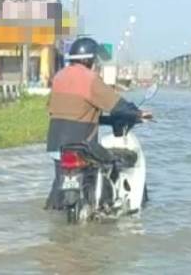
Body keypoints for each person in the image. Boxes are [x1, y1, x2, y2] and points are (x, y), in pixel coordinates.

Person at [44, 37, 152, 210]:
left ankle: (53, 211)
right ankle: (106, 205)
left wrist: (105, 120)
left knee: (59, 182)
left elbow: (70, 112)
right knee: (110, 163)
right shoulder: (90, 79)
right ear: (90, 60)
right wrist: (138, 113)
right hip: (83, 144)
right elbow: (117, 105)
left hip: (56, 145)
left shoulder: (59, 77)